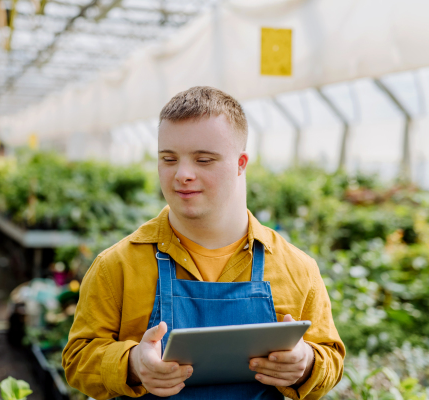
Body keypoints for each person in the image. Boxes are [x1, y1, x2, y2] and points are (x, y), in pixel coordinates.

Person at [62, 86, 345, 399]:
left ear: (240, 163)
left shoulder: (297, 269)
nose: (182, 174)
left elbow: (330, 358)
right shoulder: (118, 266)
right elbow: (77, 359)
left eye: (204, 160)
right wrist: (132, 364)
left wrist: (306, 364)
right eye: (169, 159)